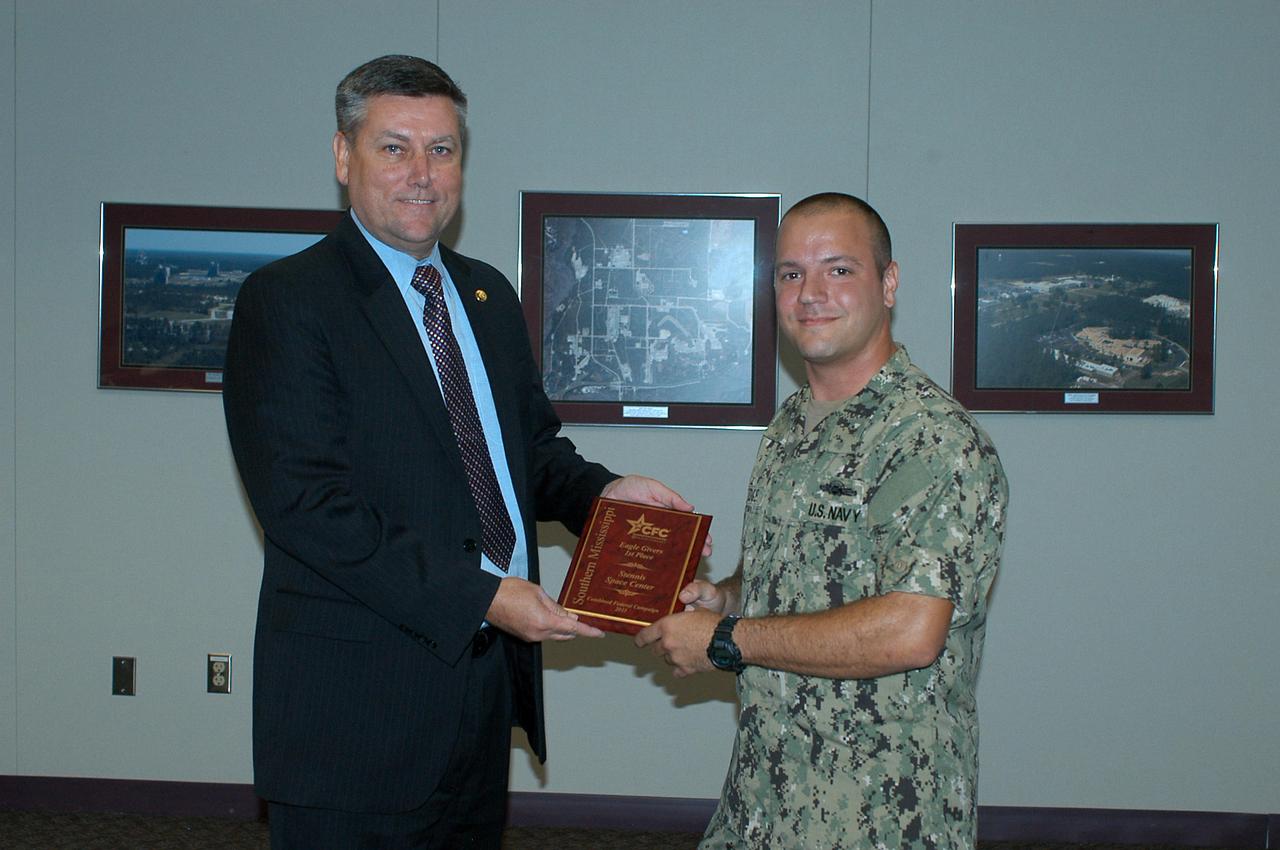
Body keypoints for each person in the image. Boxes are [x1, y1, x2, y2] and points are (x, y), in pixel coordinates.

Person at [223, 55, 699, 849]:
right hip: (356, 713)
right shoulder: (290, 301)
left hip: (480, 693)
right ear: (344, 158)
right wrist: (484, 594)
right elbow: (307, 506)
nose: (422, 173)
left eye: (442, 150)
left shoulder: (485, 295)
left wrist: (603, 497)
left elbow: (530, 451)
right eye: (394, 147)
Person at [636, 192, 1008, 849]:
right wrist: (722, 596)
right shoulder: (791, 424)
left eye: (839, 270)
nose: (812, 293)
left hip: (884, 809)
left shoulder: (933, 439)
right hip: (768, 791)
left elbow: (910, 631)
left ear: (888, 283)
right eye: (790, 274)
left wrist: (725, 637)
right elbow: (798, 571)